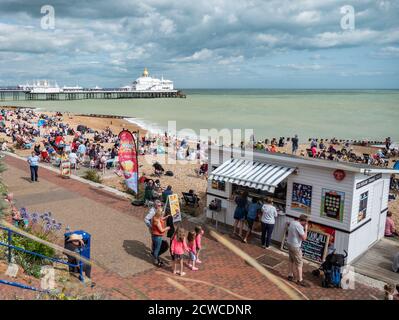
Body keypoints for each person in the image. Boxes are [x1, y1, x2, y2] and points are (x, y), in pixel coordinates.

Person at [287, 214, 309, 287]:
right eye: (306, 222)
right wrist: (306, 229)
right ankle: (300, 280)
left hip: (289, 243)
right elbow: (304, 238)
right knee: (299, 263)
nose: (306, 224)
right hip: (295, 246)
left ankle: (290, 275)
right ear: (304, 221)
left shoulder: (293, 222)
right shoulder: (299, 226)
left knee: (291, 260)